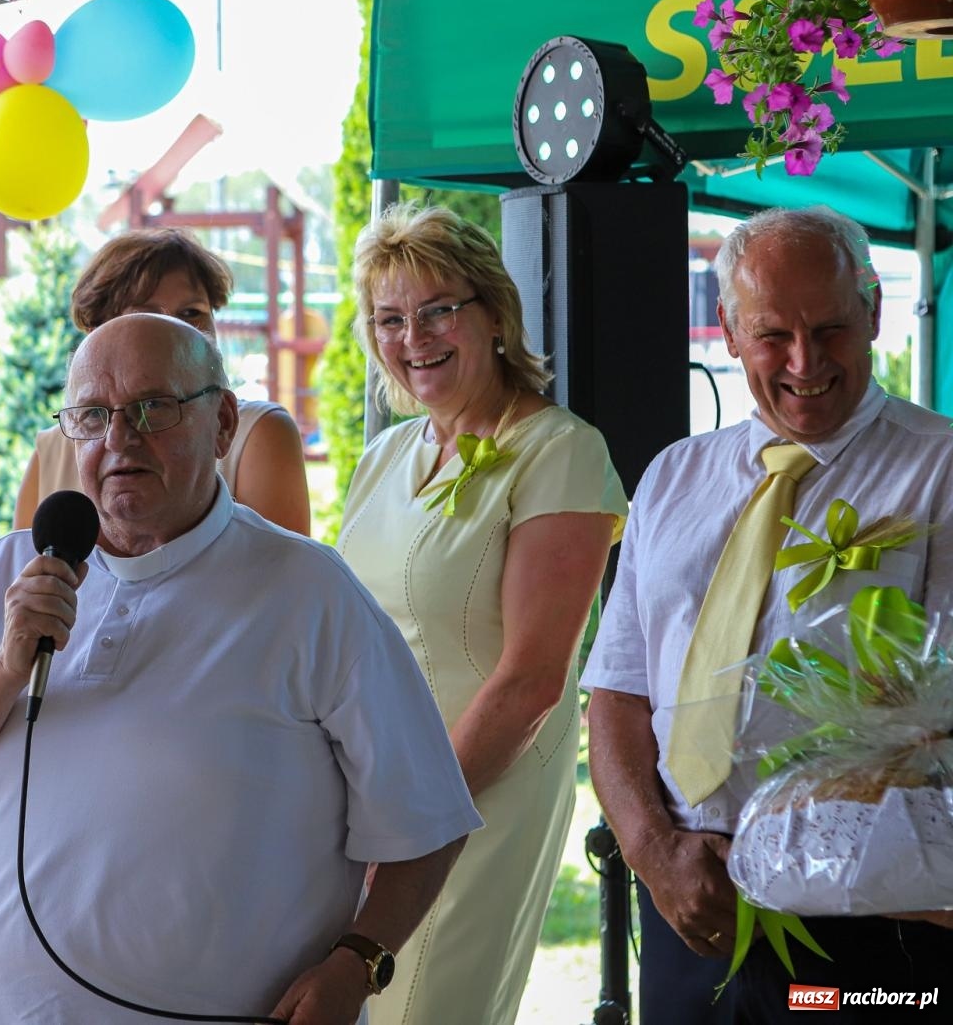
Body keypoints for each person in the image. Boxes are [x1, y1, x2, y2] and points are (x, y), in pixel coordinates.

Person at [0, 313, 482, 1024]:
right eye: (92, 416)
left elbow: (428, 820)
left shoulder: (309, 592)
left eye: (152, 408)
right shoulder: (1, 576)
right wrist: (3, 671)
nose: (119, 440)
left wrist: (357, 963)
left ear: (222, 423)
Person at [583, 207, 953, 1023]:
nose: (804, 362)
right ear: (727, 330)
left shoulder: (941, 467)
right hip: (687, 906)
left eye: (830, 329)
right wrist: (654, 853)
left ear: (874, 313)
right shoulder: (672, 479)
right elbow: (617, 693)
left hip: (873, 921)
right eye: (772, 335)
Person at [335, 202, 627, 1025]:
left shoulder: (561, 451)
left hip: (475, 795)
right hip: (370, 796)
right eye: (390, 319)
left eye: (437, 311)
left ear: (494, 313)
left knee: (426, 1007)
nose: (413, 337)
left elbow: (533, 681)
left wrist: (412, 822)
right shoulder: (385, 455)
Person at [12, 227, 312, 536]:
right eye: (149, 316)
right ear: (96, 334)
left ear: (225, 421)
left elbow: (278, 562)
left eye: (192, 313)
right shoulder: (51, 452)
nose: (179, 329)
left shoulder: (258, 433)